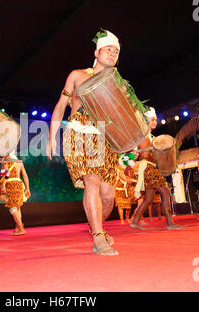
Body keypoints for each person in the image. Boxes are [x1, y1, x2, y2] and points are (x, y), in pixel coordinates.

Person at [47, 29, 120, 255]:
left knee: (108, 198)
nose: (112, 53)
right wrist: (51, 137)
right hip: (80, 131)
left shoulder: (116, 83)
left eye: (116, 51)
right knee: (92, 181)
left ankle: (95, 226)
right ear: (96, 52)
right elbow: (61, 105)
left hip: (105, 138)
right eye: (108, 49)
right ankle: (98, 237)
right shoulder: (78, 75)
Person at [129, 107, 183, 230]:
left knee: (149, 198)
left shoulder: (149, 136)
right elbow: (141, 154)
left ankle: (135, 220)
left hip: (149, 167)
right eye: (152, 119)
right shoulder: (144, 135)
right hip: (147, 168)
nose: (155, 122)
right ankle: (169, 223)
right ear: (146, 121)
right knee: (165, 192)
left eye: (156, 120)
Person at [0, 152, 31, 235]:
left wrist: (3, 186)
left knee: (12, 207)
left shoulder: (6, 161)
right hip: (19, 183)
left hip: (10, 184)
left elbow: (6, 174)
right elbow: (25, 175)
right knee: (17, 207)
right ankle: (18, 228)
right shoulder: (19, 162)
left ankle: (21, 227)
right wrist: (27, 188)